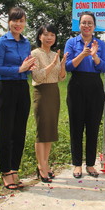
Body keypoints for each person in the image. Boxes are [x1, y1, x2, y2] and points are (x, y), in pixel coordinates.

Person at [0, 6, 36, 190]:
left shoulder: (26, 43)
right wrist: (20, 69)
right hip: (6, 88)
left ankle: (14, 169)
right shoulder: (1, 42)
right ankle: (5, 171)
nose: (18, 24)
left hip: (22, 88)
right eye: (15, 21)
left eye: (21, 21)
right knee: (6, 131)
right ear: (9, 22)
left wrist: (30, 67)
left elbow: (27, 65)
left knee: (19, 131)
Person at [64, 11, 105, 179]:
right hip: (76, 86)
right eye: (84, 23)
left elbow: (103, 67)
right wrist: (83, 54)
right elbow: (68, 66)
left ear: (94, 26)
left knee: (93, 126)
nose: (87, 26)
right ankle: (77, 164)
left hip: (95, 87)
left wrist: (94, 55)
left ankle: (90, 164)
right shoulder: (71, 42)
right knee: (76, 126)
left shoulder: (100, 44)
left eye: (90, 23)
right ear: (79, 25)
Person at [31, 24, 68, 183]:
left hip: (54, 92)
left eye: (52, 35)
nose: (49, 38)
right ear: (40, 36)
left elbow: (61, 77)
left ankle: (46, 164)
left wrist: (62, 64)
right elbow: (37, 76)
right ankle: (41, 166)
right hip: (41, 92)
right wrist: (52, 64)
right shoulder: (34, 54)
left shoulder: (55, 54)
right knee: (42, 130)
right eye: (46, 34)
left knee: (50, 130)